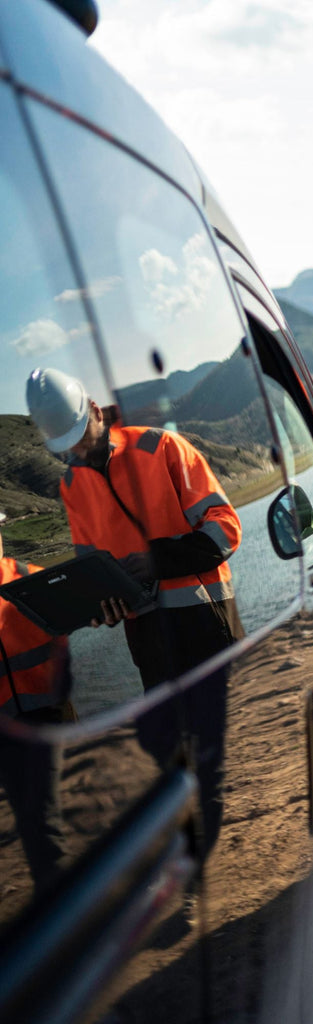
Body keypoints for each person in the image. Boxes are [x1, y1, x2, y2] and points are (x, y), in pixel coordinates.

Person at [26, 367, 245, 859]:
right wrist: (100, 606)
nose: (78, 453)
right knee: (165, 748)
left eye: (81, 439)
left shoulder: (161, 447)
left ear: (96, 412)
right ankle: (186, 850)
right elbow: (93, 569)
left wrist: (157, 559)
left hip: (206, 621)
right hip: (147, 635)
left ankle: (200, 863)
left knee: (206, 749)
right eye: (66, 448)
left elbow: (226, 528)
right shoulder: (72, 484)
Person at [0, 510, 73, 889]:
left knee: (41, 818)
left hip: (46, 719)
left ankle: (65, 904)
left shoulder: (33, 579)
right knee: (31, 819)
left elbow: (85, 616)